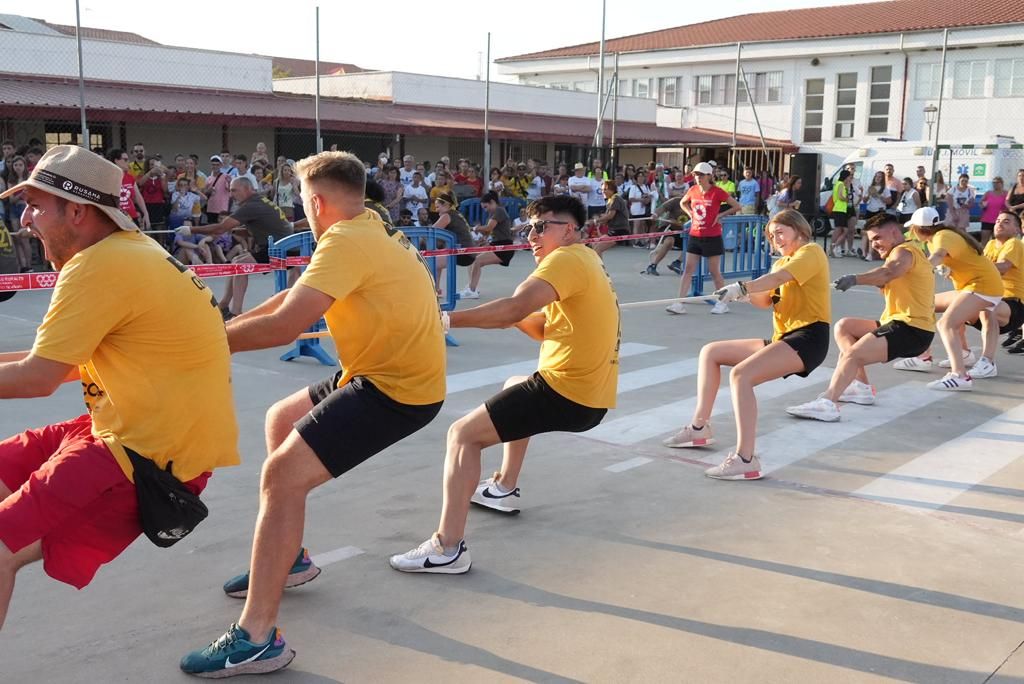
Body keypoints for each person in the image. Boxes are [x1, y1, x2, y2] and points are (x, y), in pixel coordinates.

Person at [181, 151, 445, 678]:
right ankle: (292, 559)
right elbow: (283, 308)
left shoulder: (346, 241)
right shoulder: (370, 227)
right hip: (377, 373)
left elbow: (283, 329)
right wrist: (214, 328)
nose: (304, 209)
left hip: (396, 391)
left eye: (303, 200)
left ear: (316, 202)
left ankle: (256, 638)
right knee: (281, 421)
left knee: (281, 477)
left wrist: (198, 348)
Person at [0, 145, 238, 630]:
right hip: (132, 430)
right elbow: (52, 363)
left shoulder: (97, 267)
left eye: (36, 205)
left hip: (144, 455)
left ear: (78, 211)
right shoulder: (133, 251)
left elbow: (38, 378)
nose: (25, 220)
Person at [389, 194, 618, 570]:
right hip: (589, 394)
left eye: (543, 226)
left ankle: (447, 549)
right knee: (515, 382)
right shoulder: (588, 258)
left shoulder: (565, 259)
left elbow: (513, 310)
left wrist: (445, 319)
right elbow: (542, 329)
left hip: (567, 391)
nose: (532, 235)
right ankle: (502, 487)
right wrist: (511, 313)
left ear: (571, 230)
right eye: (529, 227)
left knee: (462, 435)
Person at [663, 209, 830, 480]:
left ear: (799, 230)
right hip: (785, 338)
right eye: (771, 235)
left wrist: (743, 286)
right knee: (711, 352)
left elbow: (776, 280)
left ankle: (746, 458)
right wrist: (741, 295)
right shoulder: (781, 263)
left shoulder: (810, 253)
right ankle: (699, 428)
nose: (775, 239)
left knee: (742, 375)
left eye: (780, 232)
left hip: (809, 338)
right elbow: (765, 300)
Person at [786, 213, 935, 421]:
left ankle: (828, 402)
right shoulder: (905, 252)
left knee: (852, 355)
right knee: (845, 327)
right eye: (871, 240)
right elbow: (885, 273)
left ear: (894, 232)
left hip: (912, 329)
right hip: (900, 323)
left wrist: (855, 279)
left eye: (877, 238)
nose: (874, 244)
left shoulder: (904, 252)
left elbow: (887, 272)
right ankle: (861, 387)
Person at [894, 207, 1003, 389]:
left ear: (919, 228)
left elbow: (937, 256)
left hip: (983, 286)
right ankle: (924, 356)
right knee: (927, 305)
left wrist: (917, 272)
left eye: (911, 227)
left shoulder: (942, 236)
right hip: (973, 285)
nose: (909, 231)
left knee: (946, 324)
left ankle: (960, 376)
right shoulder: (934, 238)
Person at [181, 177, 293, 319]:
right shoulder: (259, 201)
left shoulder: (251, 206)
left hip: (281, 248)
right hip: (280, 244)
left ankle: (236, 313)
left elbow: (220, 228)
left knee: (240, 265)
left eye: (234, 190)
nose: (231, 194)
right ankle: (224, 304)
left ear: (247, 189)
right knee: (236, 261)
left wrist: (190, 230)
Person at [666, 162, 740, 316]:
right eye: (695, 174)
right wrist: (691, 214)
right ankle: (679, 302)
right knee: (688, 269)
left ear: (709, 176)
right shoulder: (693, 190)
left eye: (701, 175)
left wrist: (720, 215)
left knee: (714, 271)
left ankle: (723, 302)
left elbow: (736, 206)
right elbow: (682, 202)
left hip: (712, 236)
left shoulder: (717, 192)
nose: (697, 177)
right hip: (695, 235)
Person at [460, 191, 516, 299]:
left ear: (492, 202)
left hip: (504, 247)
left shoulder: (499, 210)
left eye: (486, 207)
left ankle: (472, 290)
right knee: (471, 257)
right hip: (495, 244)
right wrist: (482, 239)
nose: (485, 210)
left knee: (477, 261)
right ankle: (472, 286)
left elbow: (489, 227)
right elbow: (487, 232)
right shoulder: (492, 214)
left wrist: (475, 228)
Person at [644, 193, 688, 276]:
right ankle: (653, 265)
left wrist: (679, 224)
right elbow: (663, 207)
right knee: (669, 241)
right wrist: (655, 214)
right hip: (670, 228)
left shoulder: (695, 206)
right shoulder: (676, 201)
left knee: (693, 244)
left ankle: (677, 263)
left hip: (683, 231)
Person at [106, 149, 150, 229]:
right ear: (116, 161)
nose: (128, 162)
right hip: (116, 218)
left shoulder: (129, 178)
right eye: (125, 160)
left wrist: (145, 213)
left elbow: (138, 197)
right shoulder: (108, 178)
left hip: (132, 216)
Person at [590, 180, 631, 258]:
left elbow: (610, 215)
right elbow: (607, 217)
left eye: (605, 189)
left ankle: (601, 269)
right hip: (613, 229)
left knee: (598, 249)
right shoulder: (610, 200)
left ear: (612, 190)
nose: (603, 192)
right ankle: (600, 268)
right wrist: (601, 222)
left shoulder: (615, 198)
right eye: (602, 190)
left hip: (619, 230)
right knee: (594, 244)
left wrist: (597, 220)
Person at [829, 169, 853, 257]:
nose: (850, 178)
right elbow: (840, 196)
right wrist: (846, 199)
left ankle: (833, 247)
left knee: (840, 229)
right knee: (843, 230)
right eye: (849, 177)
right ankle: (834, 247)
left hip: (840, 209)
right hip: (840, 209)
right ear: (846, 177)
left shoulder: (837, 184)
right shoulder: (841, 184)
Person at [979, 177, 1007, 245]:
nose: (995, 184)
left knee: (998, 241)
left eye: (997, 182)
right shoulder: (988, 193)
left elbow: (1010, 205)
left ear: (1002, 183)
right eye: (994, 183)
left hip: (999, 221)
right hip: (987, 220)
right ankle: (983, 254)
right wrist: (982, 205)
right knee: (984, 240)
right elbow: (980, 203)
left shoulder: (1006, 193)